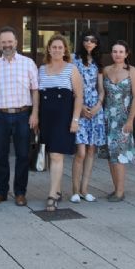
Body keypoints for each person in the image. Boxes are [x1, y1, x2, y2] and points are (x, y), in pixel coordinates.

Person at [0, 26, 39, 206]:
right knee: (1, 156)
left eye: (10, 42)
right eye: (4, 42)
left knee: (23, 156)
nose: (7, 45)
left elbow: (35, 90)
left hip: (23, 115)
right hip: (0, 116)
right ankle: (1, 192)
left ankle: (20, 193)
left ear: (16, 43)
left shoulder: (28, 63)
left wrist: (35, 114)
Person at [39, 35, 83, 211]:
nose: (57, 50)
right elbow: (36, 94)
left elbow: (79, 96)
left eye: (60, 47)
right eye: (54, 47)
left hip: (63, 118)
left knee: (57, 155)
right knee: (51, 155)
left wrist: (75, 120)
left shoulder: (71, 69)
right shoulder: (41, 69)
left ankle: (51, 195)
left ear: (65, 50)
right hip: (45, 118)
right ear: (48, 49)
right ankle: (57, 191)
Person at [102, 40, 135, 202]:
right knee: (111, 155)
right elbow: (102, 94)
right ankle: (115, 188)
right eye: (114, 51)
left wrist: (131, 120)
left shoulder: (132, 71)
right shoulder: (106, 70)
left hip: (123, 118)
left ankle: (120, 191)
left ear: (126, 54)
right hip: (107, 118)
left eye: (120, 51)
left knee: (120, 155)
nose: (117, 54)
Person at [70, 30, 105, 203]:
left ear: (97, 43)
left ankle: (85, 189)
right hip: (79, 106)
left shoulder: (98, 62)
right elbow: (71, 85)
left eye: (93, 40)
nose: (89, 43)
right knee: (81, 152)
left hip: (95, 109)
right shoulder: (74, 59)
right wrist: (81, 106)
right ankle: (75, 190)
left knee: (91, 150)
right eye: (86, 40)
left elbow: (101, 88)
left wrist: (99, 104)